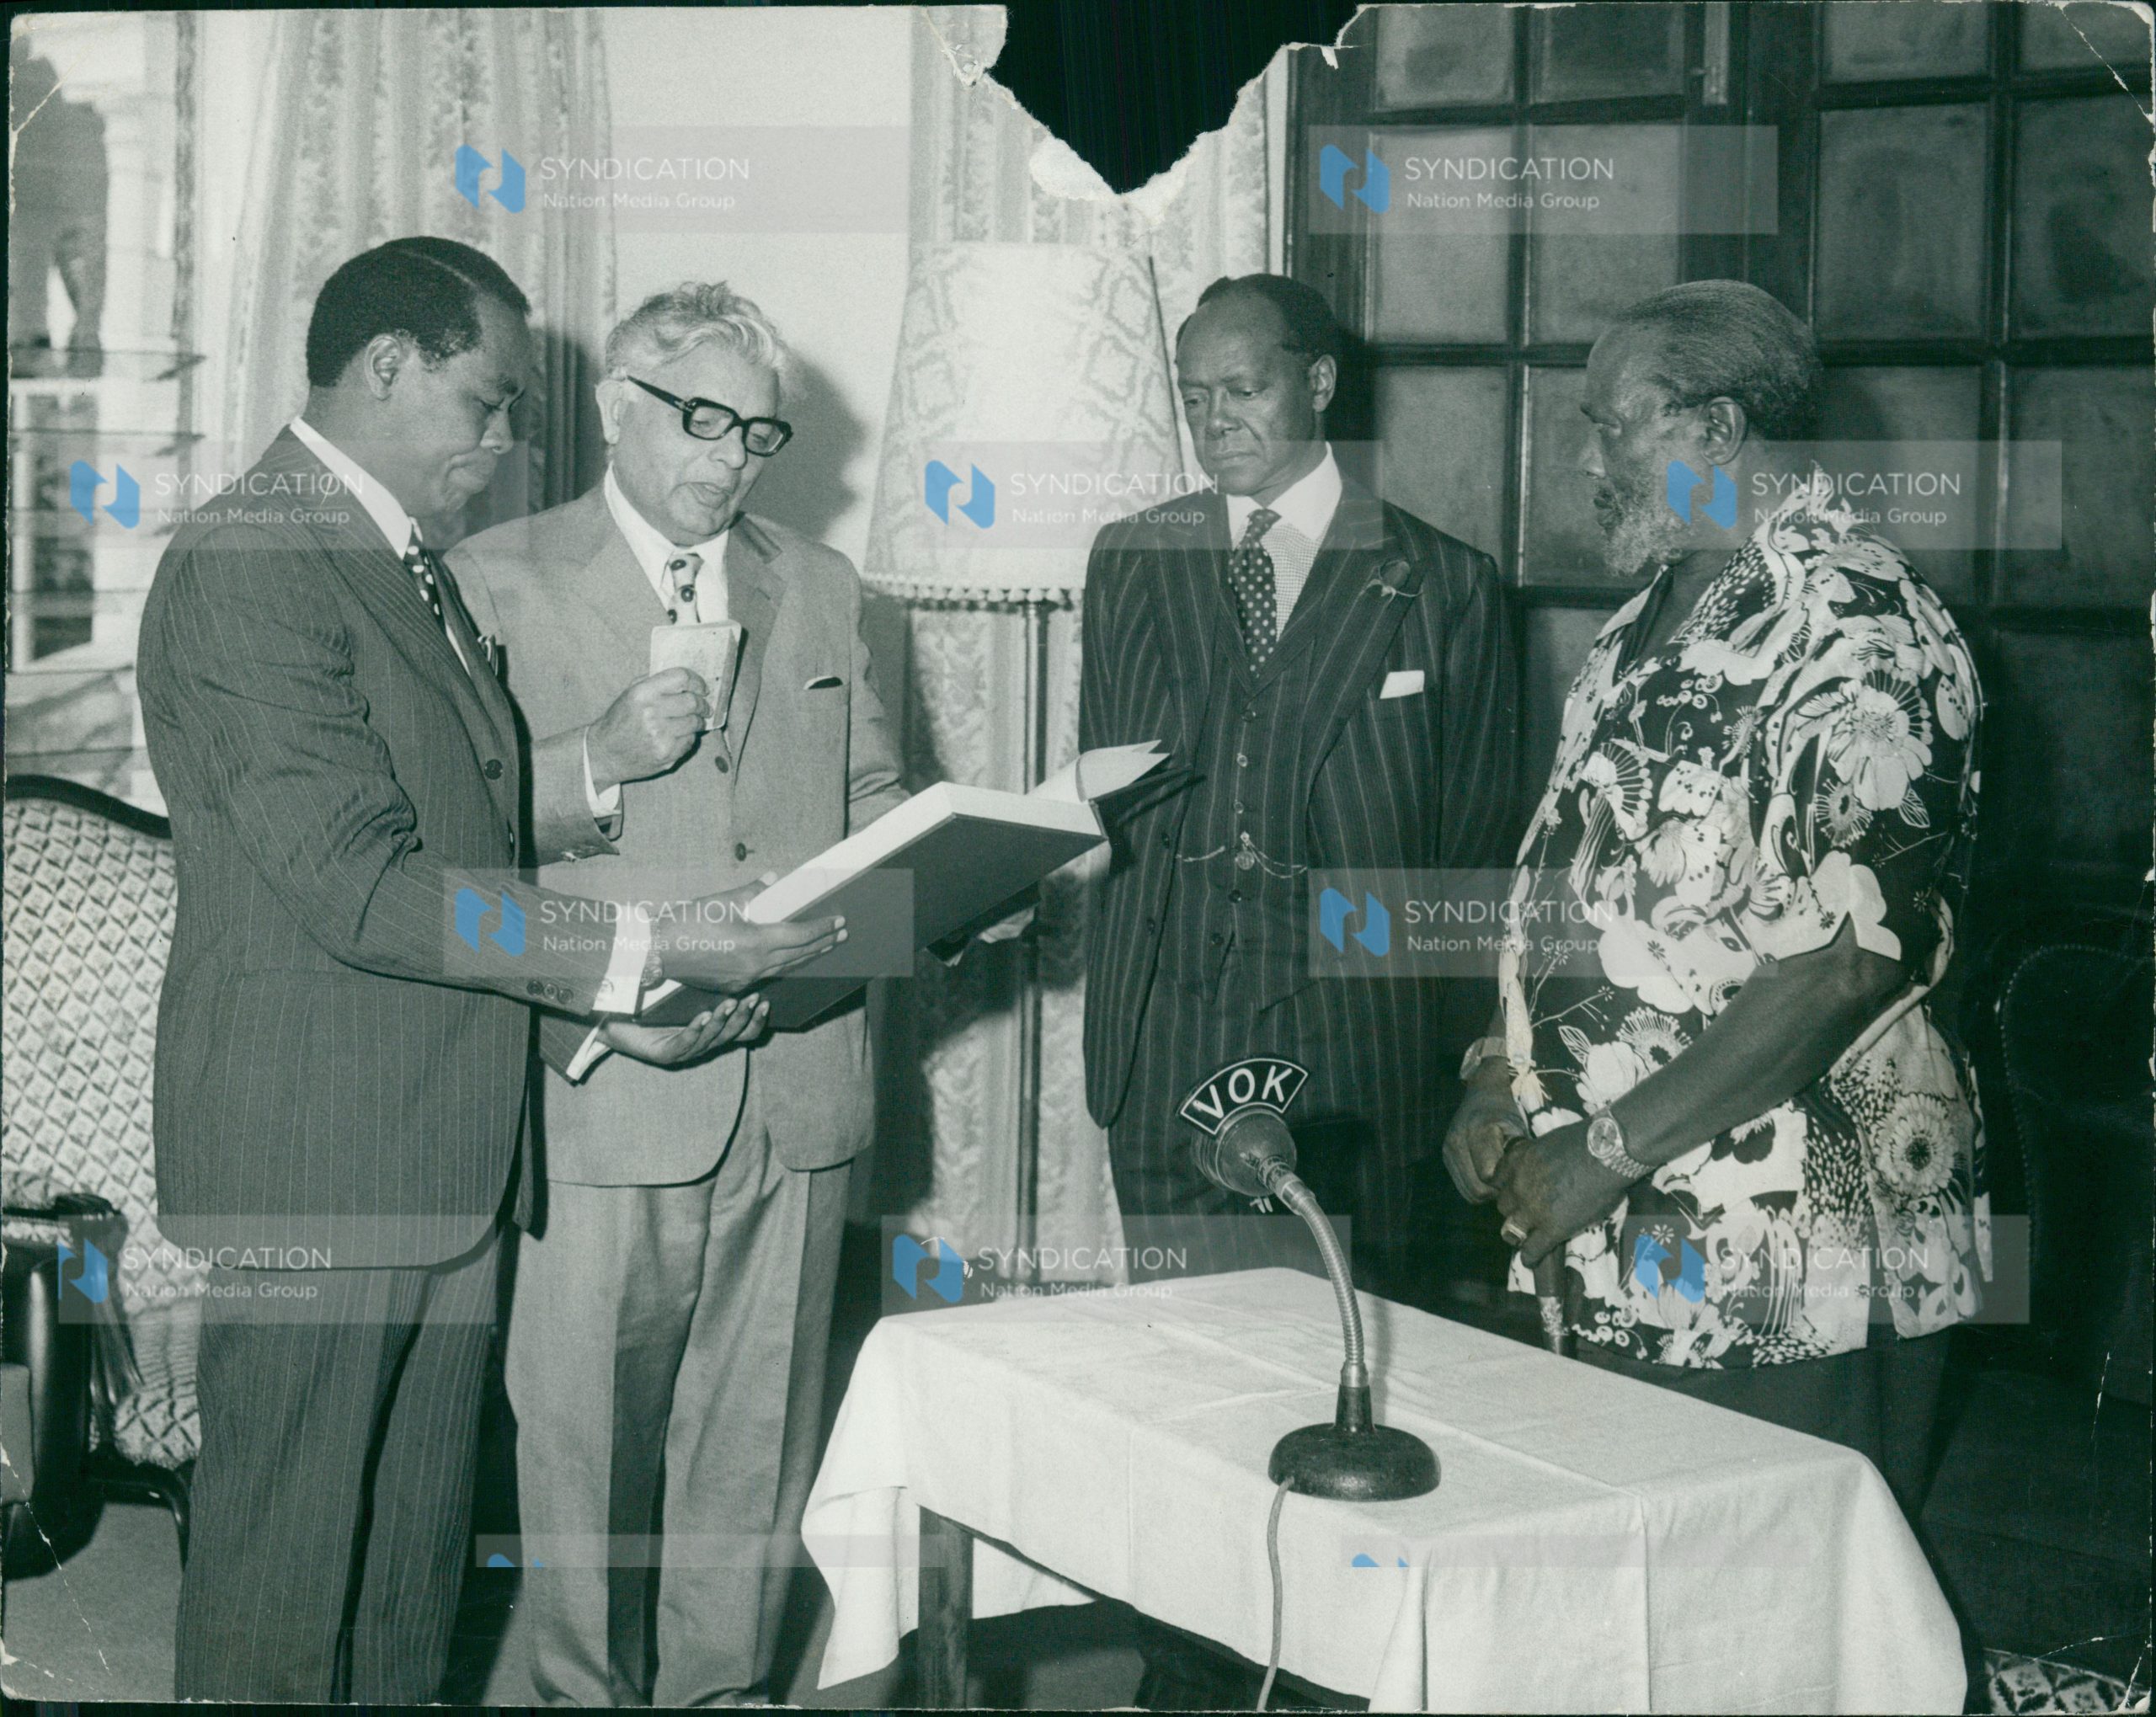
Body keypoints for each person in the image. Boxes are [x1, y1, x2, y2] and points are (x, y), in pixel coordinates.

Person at [136, 239, 835, 1703]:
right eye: (490, 400)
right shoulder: (256, 557)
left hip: (449, 1149)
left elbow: (459, 815)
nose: (509, 439)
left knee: (404, 1589)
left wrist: (604, 996)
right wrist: (643, 944)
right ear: (388, 367)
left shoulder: (383, 553)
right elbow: (360, 883)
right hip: (321, 1161)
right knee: (280, 1597)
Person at [1444, 280, 1987, 1517]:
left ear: (1720, 428)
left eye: (1613, 423)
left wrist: (1611, 1146)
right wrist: (1500, 1069)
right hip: (1612, 1229)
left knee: (1779, 1640)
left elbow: (1846, 963)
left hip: (1793, 1261)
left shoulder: (1866, 630)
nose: (1590, 458)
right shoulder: (1644, 620)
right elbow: (1589, 886)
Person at [446, 281, 905, 1706]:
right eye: (700, 420)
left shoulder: (821, 585)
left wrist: (959, 885)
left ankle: (719, 1694)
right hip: (602, 1089)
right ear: (613, 407)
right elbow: (438, 850)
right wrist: (596, 749)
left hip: (795, 1091)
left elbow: (872, 798)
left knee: (754, 1454)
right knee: (580, 1457)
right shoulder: (491, 579)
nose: (729, 458)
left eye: (758, 434)